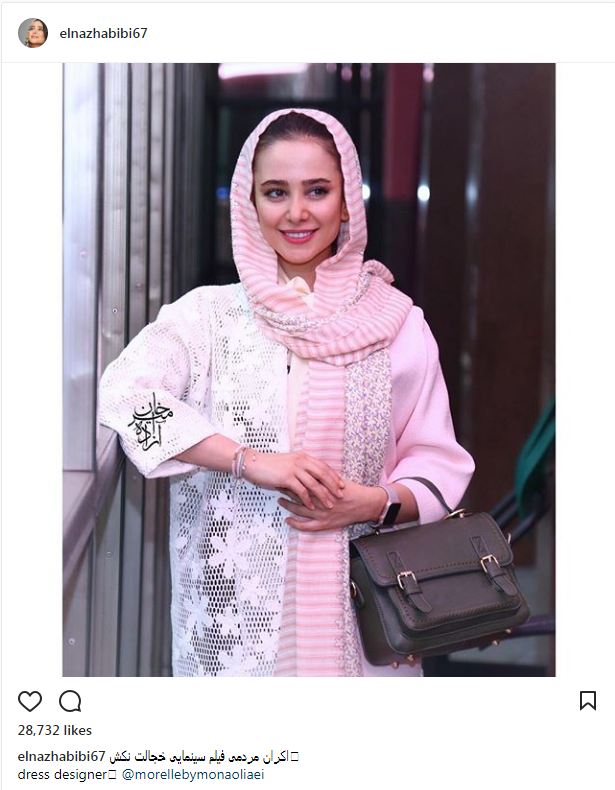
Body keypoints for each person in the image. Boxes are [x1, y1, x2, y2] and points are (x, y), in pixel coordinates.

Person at [99, 108, 474, 677]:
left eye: (317, 190)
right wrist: (249, 461)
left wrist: (373, 503)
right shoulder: (209, 319)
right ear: (249, 205)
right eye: (276, 192)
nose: (297, 212)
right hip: (237, 633)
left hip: (367, 629)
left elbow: (436, 459)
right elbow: (124, 397)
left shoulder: (397, 324)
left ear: (347, 203)